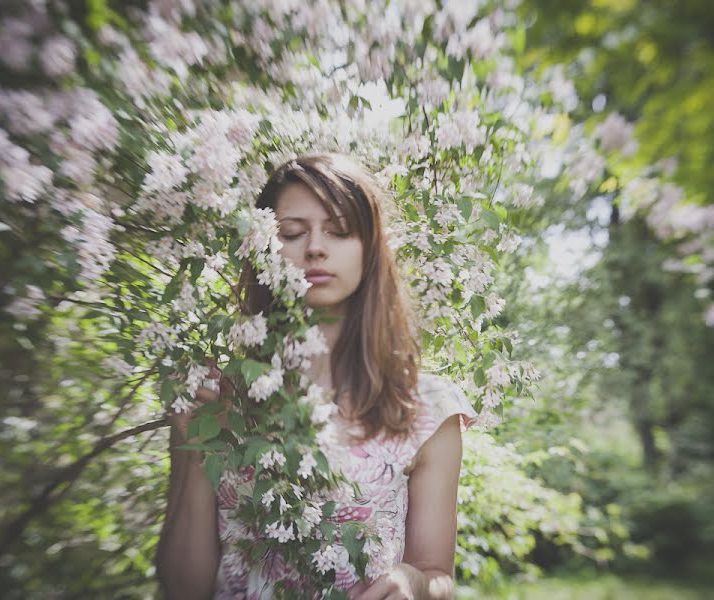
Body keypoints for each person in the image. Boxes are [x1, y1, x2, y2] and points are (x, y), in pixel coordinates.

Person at [156, 153, 478, 600]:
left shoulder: (425, 408)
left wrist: (416, 582)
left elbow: (438, 571)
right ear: (265, 247)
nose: (315, 248)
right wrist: (193, 440)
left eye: (340, 230)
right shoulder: (219, 396)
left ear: (371, 248)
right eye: (292, 232)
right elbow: (180, 587)